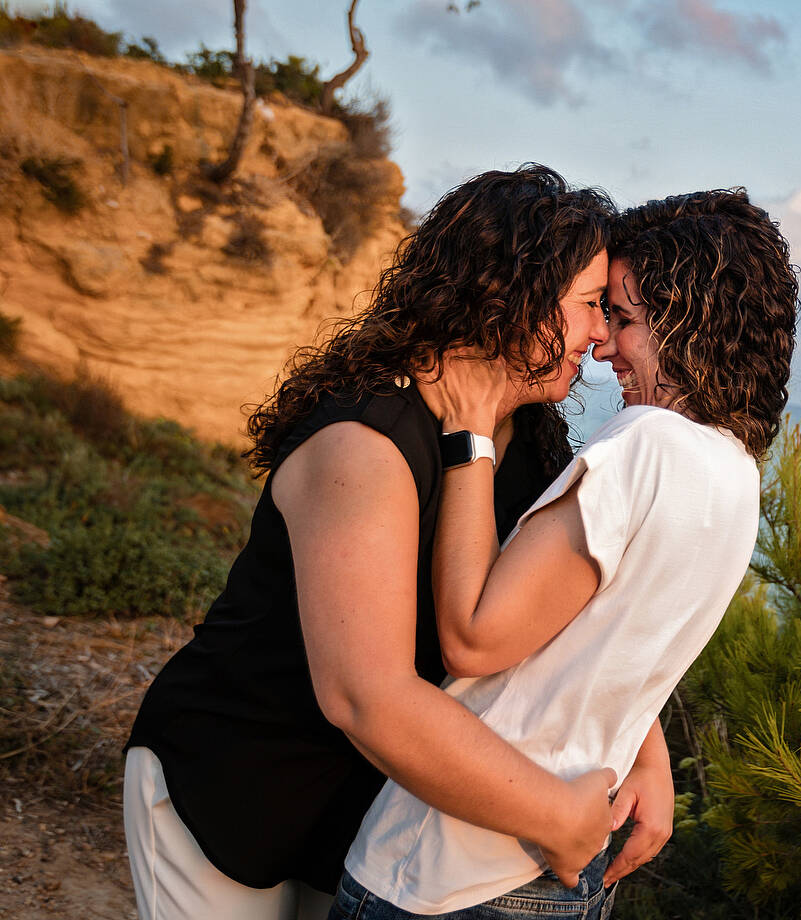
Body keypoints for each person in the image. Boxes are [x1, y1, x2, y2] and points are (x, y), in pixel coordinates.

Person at [122, 165, 676, 920]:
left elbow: (560, 616)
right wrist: (555, 817)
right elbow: (366, 696)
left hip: (365, 815)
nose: (601, 334)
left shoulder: (530, 444)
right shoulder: (366, 443)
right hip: (230, 789)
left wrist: (648, 753)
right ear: (510, 296)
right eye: (587, 306)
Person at [331, 188, 800, 919]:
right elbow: (611, 637)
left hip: (451, 868)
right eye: (601, 315)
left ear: (689, 322)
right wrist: (651, 753)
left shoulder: (644, 443)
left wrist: (470, 434)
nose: (605, 344)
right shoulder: (738, 475)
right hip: (569, 874)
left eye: (624, 318)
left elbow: (473, 637)